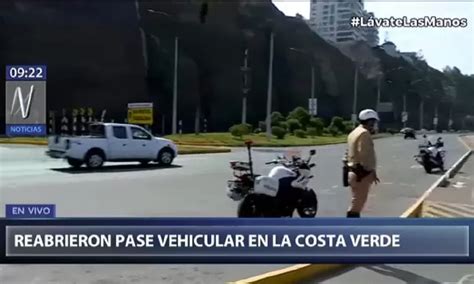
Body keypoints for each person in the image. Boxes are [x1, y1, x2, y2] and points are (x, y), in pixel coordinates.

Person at [345, 109, 380, 218]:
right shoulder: (364, 133)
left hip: (352, 171)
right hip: (361, 174)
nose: (374, 125)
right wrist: (369, 170)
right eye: (373, 122)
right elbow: (364, 154)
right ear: (369, 121)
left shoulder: (354, 132)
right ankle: (350, 227)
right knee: (357, 203)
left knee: (356, 200)